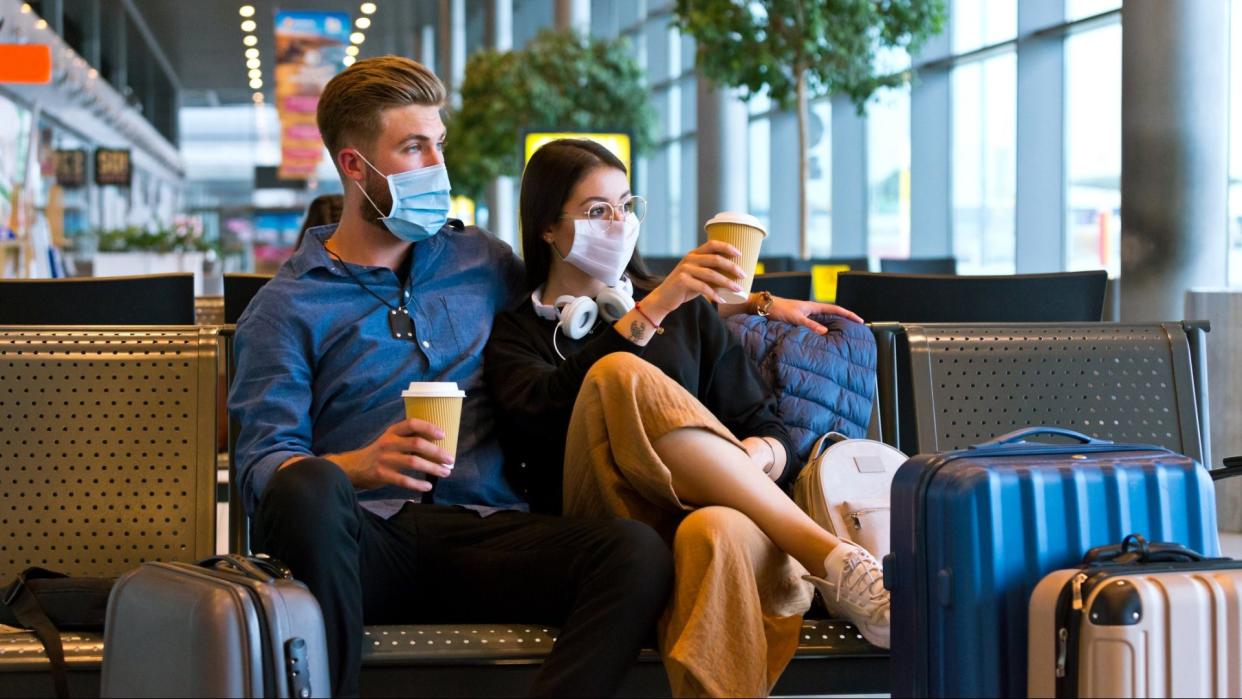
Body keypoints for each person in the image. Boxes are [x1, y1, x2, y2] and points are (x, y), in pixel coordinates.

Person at [229, 57, 675, 697]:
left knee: (635, 554)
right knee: (308, 489)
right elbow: (260, 469)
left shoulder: (481, 262)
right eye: (413, 148)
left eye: (438, 144)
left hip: (484, 532)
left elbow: (591, 295)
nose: (436, 166)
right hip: (362, 543)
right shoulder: (286, 307)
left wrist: (759, 305)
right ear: (355, 165)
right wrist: (359, 465)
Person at [483, 138, 889, 698]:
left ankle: (837, 565)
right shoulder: (517, 332)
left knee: (712, 529)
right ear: (548, 228)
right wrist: (655, 307)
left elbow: (769, 428)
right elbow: (539, 419)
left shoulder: (688, 312)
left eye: (626, 206)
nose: (619, 222)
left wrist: (745, 461)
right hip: (605, 524)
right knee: (618, 374)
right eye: (597, 211)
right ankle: (827, 553)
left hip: (723, 516)